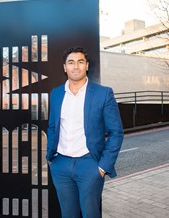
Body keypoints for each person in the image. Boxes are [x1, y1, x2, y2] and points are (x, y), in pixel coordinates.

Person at [46, 47, 124, 218]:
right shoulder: (57, 93)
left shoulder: (103, 94)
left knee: (91, 214)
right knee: (68, 214)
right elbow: (52, 126)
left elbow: (116, 132)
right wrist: (51, 158)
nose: (76, 66)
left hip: (90, 165)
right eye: (71, 62)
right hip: (61, 165)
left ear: (87, 66)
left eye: (80, 62)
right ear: (64, 67)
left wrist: (103, 167)